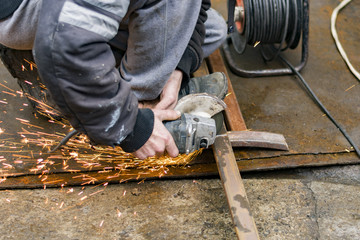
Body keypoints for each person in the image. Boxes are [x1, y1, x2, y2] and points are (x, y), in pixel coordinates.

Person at [0, 0, 228, 159]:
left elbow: (196, 6)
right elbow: (63, 45)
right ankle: (137, 101)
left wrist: (177, 65)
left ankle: (91, 77)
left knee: (214, 29)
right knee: (173, 4)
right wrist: (132, 127)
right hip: (19, 11)